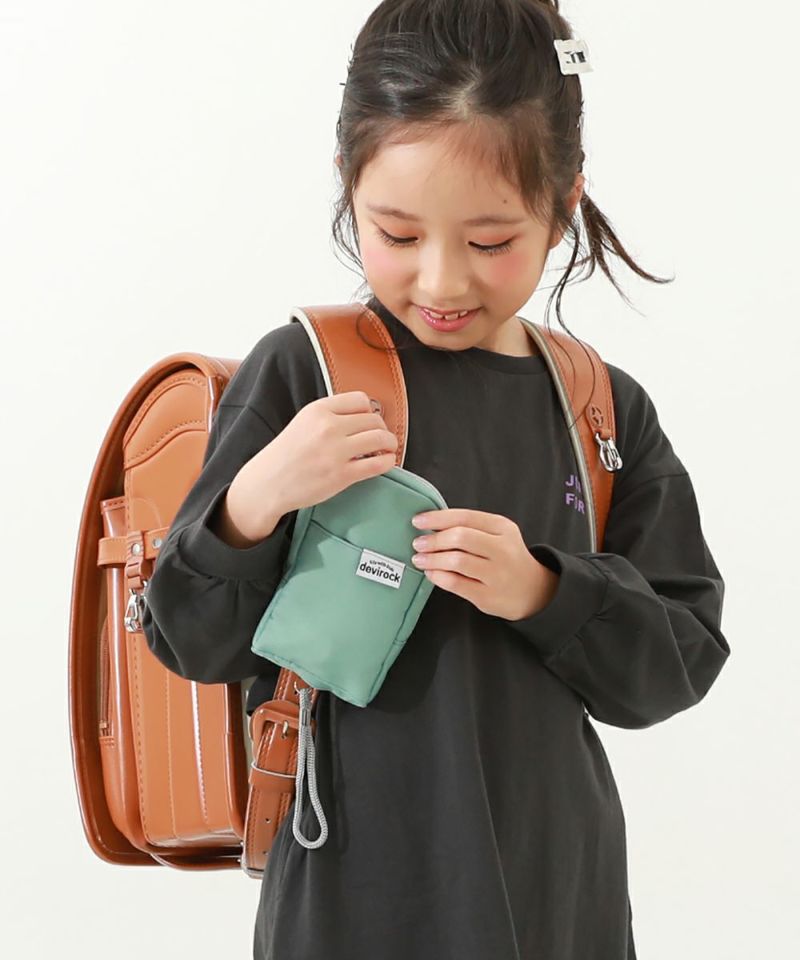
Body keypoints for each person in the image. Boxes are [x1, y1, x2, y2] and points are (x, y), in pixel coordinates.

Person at [142, 1, 731, 957]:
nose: (443, 282)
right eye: (398, 234)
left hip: (554, 896)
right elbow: (188, 642)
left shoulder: (601, 408)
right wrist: (257, 500)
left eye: (491, 242)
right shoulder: (306, 373)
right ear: (349, 185)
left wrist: (543, 589)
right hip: (351, 891)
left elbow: (679, 662)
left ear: (564, 201)